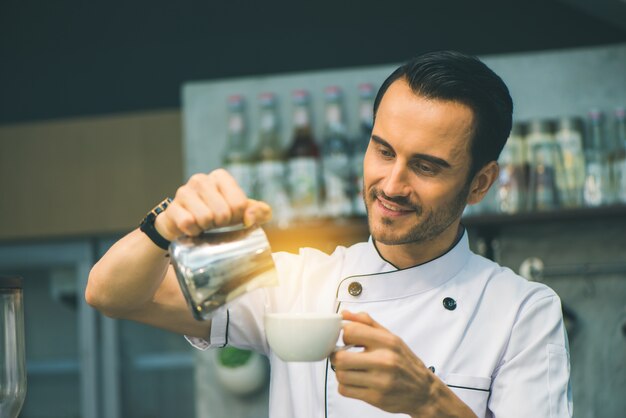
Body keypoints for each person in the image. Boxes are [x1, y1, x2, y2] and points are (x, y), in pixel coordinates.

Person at [86, 50, 572, 418]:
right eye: (383, 151)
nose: (392, 184)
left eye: (425, 166)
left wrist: (431, 402)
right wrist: (164, 226)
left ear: (480, 183)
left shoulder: (523, 311)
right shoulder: (292, 280)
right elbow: (112, 295)